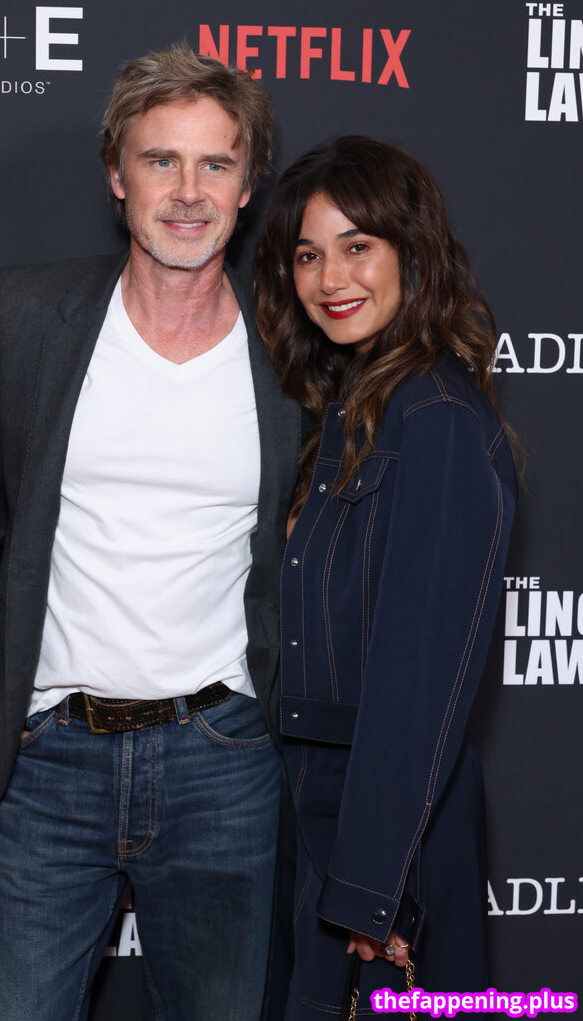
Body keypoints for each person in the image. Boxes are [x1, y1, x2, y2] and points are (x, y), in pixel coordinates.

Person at [0, 44, 301, 1021]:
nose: (188, 192)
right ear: (116, 174)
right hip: (47, 757)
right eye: (160, 160)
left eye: (215, 164)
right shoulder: (26, 313)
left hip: (223, 761)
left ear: (249, 184)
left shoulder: (295, 350)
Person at [254, 135, 517, 1018]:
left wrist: (373, 885)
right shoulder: (351, 408)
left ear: (413, 249)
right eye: (307, 255)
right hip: (316, 808)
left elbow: (420, 680)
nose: (330, 277)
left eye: (357, 245)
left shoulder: (435, 417)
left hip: (390, 824)